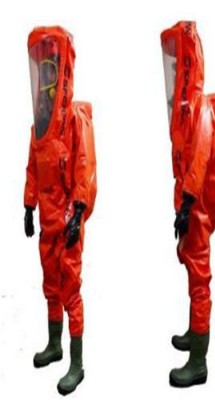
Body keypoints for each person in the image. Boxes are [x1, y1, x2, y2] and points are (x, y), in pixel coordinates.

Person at [161, 21, 215, 388]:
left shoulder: (199, 110)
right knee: (194, 274)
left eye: (179, 64)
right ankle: (194, 335)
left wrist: (188, 202)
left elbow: (200, 157)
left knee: (199, 280)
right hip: (190, 205)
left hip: (197, 207)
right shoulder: (187, 111)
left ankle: (198, 362)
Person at [24, 26, 97, 396]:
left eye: (52, 69)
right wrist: (28, 206)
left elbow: (84, 168)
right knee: (50, 286)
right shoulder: (39, 126)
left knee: (70, 289)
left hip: (67, 223)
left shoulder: (74, 121)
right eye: (43, 70)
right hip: (47, 223)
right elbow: (32, 169)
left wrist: (78, 212)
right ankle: (55, 345)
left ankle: (77, 363)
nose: (47, 78)